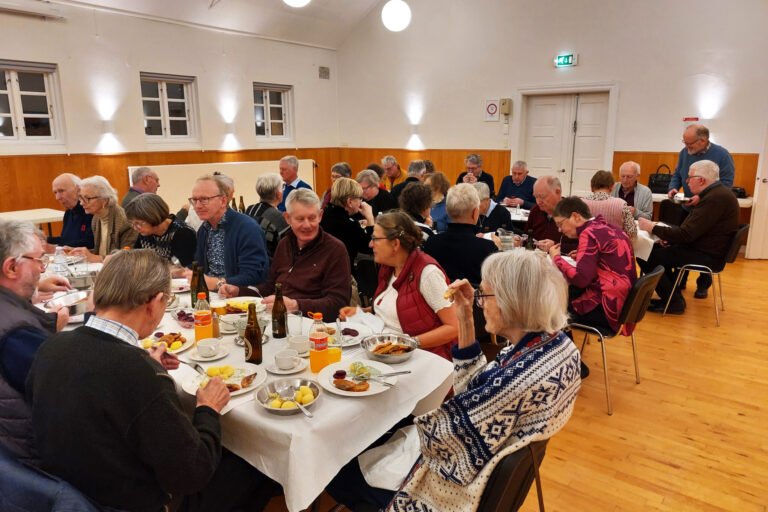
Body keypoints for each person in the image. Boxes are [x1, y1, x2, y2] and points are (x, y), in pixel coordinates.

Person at [327, 250, 581, 511]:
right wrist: (465, 318)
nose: (480, 304)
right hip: (491, 476)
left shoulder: (515, 382)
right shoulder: (559, 347)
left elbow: (439, 440)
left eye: (484, 295)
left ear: (512, 302)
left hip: (452, 493)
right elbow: (473, 390)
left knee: (337, 469)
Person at [26, 249, 274, 511]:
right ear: (155, 302)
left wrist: (146, 365)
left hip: (68, 492)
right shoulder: (139, 374)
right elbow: (192, 473)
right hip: (127, 502)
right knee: (255, 464)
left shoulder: (51, 347)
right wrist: (208, 409)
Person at [340, 211, 458, 361]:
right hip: (385, 352)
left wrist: (407, 345)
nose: (370, 244)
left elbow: (454, 327)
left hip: (421, 358)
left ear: (395, 244)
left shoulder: (427, 274)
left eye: (375, 239)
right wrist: (360, 312)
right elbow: (397, 309)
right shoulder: (389, 267)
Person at [0, 220, 71, 465]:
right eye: (39, 260)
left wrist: (33, 289)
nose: (42, 269)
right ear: (11, 268)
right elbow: (70, 390)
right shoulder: (17, 335)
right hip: (31, 457)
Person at [219, 189, 350, 320]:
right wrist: (239, 291)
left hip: (312, 324)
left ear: (320, 216)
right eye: (300, 219)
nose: (307, 225)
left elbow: (339, 303)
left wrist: (296, 305)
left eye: (312, 218)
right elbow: (270, 287)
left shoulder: (335, 249)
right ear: (287, 218)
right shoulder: (284, 244)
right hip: (278, 319)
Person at [638, 160, 739, 312]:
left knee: (645, 254)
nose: (686, 181)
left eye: (689, 177)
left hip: (707, 255)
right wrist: (671, 240)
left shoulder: (714, 199)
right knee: (654, 250)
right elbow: (692, 232)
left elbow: (686, 234)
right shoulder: (718, 194)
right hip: (706, 248)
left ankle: (674, 302)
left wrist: (652, 227)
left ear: (701, 180)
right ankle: (672, 297)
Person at [548, 197, 637, 336]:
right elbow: (609, 260)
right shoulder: (609, 227)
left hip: (607, 308)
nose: (559, 230)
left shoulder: (588, 233)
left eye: (560, 224)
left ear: (576, 217)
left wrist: (556, 258)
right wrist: (585, 257)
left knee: (551, 309)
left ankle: (563, 349)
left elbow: (581, 279)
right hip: (625, 305)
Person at [187, 174, 269, 292]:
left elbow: (253, 275)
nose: (197, 206)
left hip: (238, 296)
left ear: (223, 201)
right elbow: (199, 266)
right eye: (194, 200)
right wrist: (182, 271)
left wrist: (217, 283)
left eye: (204, 199)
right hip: (210, 293)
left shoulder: (247, 228)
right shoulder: (204, 229)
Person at [423, 184, 497, 285]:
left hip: (439, 294)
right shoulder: (487, 248)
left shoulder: (431, 243)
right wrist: (500, 250)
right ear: (475, 213)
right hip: (472, 295)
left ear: (447, 211)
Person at [68, 175, 137, 263]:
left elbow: (126, 256)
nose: (81, 203)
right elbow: (102, 252)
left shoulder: (125, 221)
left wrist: (96, 258)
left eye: (87, 198)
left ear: (104, 200)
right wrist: (78, 252)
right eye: (81, 198)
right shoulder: (96, 219)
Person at [124, 193, 197, 267]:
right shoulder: (145, 232)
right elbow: (137, 260)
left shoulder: (183, 233)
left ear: (152, 216)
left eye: (138, 223)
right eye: (132, 223)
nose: (135, 228)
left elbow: (183, 269)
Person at [669, 124, 735, 206]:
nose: (686, 147)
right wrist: (673, 188)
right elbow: (678, 174)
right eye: (684, 142)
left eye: (689, 143)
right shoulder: (684, 152)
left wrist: (702, 197)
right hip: (688, 207)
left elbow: (726, 184)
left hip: (710, 206)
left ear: (703, 140)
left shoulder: (723, 155)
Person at [320, 177, 374, 268]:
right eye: (360, 198)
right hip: (342, 272)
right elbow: (370, 247)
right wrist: (370, 219)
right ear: (350, 202)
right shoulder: (349, 226)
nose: (361, 202)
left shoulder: (323, 215)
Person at [526, 176, 578, 254]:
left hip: (561, 258)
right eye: (536, 197)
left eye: (542, 197)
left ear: (558, 192)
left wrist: (555, 245)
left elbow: (582, 246)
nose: (538, 201)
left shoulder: (573, 213)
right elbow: (527, 235)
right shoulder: (535, 210)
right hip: (535, 257)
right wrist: (520, 240)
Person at [244, 173, 291, 258]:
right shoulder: (279, 217)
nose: (283, 190)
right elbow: (289, 248)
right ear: (278, 194)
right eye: (282, 188)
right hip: (269, 262)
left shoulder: (250, 209)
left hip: (246, 258)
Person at [583, 170, 637, 238]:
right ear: (612, 187)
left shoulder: (580, 203)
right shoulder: (621, 204)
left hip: (587, 243)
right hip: (615, 243)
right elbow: (632, 232)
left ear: (591, 187)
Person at [47, 173, 94, 250]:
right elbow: (66, 239)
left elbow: (90, 243)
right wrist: (46, 240)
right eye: (55, 192)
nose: (57, 197)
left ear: (78, 189)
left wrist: (58, 247)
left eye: (61, 191)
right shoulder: (68, 213)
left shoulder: (91, 211)